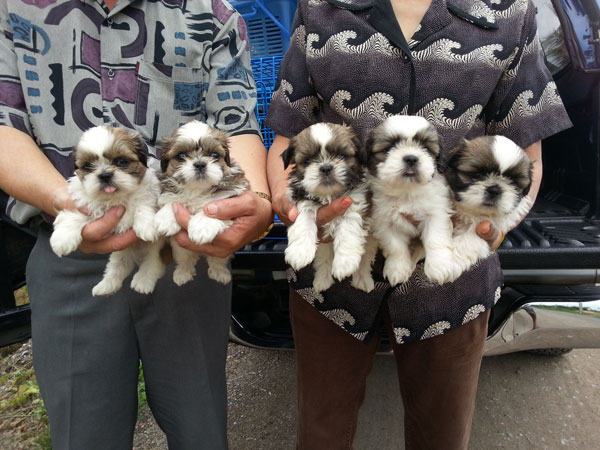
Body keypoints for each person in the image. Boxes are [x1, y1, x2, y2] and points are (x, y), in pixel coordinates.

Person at [266, 0, 572, 448]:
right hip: (330, 279)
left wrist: (495, 228)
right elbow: (287, 135)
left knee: (441, 435)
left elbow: (529, 154)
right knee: (320, 432)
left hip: (453, 285)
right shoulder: (320, 6)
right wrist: (293, 208)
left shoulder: (510, 10)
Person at [0, 0, 272, 449]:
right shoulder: (12, 7)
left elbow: (236, 126)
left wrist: (257, 202)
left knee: (200, 427)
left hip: (184, 246)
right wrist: (68, 204)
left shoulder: (212, 12)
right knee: (83, 434)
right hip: (69, 254)